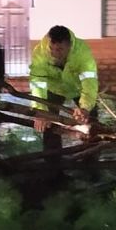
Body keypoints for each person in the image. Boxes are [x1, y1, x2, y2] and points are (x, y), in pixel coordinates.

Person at [29, 24, 99, 153]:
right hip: (53, 89)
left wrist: (85, 107)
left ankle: (91, 159)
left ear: (69, 45)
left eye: (60, 49)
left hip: (78, 89)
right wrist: (40, 111)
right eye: (52, 48)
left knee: (93, 123)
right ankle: (53, 164)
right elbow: (38, 82)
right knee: (49, 124)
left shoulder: (82, 52)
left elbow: (89, 80)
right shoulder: (40, 52)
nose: (55, 53)